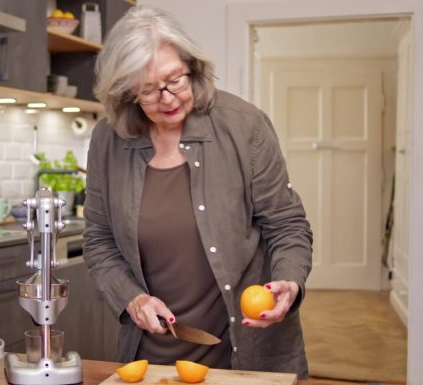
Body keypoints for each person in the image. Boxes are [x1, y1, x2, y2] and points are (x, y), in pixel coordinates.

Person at [82, 6, 313, 378]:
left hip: (246, 355)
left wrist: (289, 280)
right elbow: (99, 239)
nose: (168, 98)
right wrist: (132, 298)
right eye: (149, 90)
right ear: (126, 93)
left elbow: (287, 224)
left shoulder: (244, 126)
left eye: (175, 80)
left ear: (193, 67)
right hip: (152, 357)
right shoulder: (108, 141)